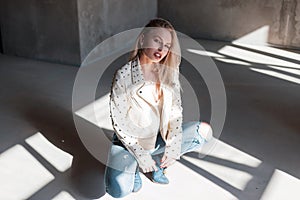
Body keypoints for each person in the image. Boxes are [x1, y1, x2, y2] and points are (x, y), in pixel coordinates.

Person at [104, 18, 213, 198]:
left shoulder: (169, 72)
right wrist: (140, 155)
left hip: (157, 138)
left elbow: (175, 112)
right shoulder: (123, 74)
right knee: (118, 190)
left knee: (204, 132)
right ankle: (135, 167)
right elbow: (119, 122)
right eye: (157, 41)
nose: (162, 49)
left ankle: (155, 162)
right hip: (130, 143)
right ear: (142, 40)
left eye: (167, 45)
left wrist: (174, 144)